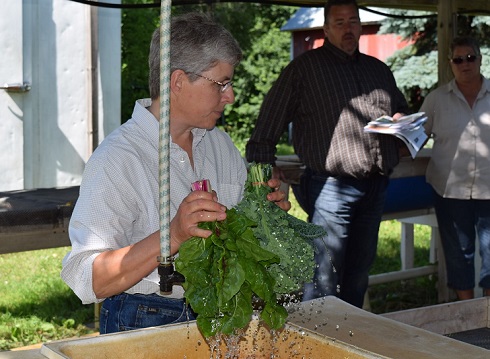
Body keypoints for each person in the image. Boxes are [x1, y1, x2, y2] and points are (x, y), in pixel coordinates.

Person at [61, 12, 290, 334]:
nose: (231, 96)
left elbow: (242, 240)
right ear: (178, 81)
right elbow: (88, 278)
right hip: (145, 316)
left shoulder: (220, 144)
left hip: (221, 309)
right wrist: (173, 235)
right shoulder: (118, 158)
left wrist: (265, 211)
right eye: (221, 83)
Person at [246, 0, 409, 308]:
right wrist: (264, 166)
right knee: (324, 277)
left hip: (376, 186)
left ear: (361, 25)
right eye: (340, 23)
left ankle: (351, 344)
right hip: (330, 188)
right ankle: (317, 346)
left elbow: (401, 110)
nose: (348, 29)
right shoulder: (305, 69)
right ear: (326, 29)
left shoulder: (379, 70)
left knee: (359, 275)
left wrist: (402, 120)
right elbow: (270, 118)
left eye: (353, 21)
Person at [420, 36, 490, 301]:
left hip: (489, 188)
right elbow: (416, 138)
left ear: (480, 59)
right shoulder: (436, 99)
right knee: (458, 253)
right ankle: (465, 313)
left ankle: (487, 315)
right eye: (458, 59)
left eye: (470, 57)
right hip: (450, 189)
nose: (465, 64)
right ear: (451, 64)